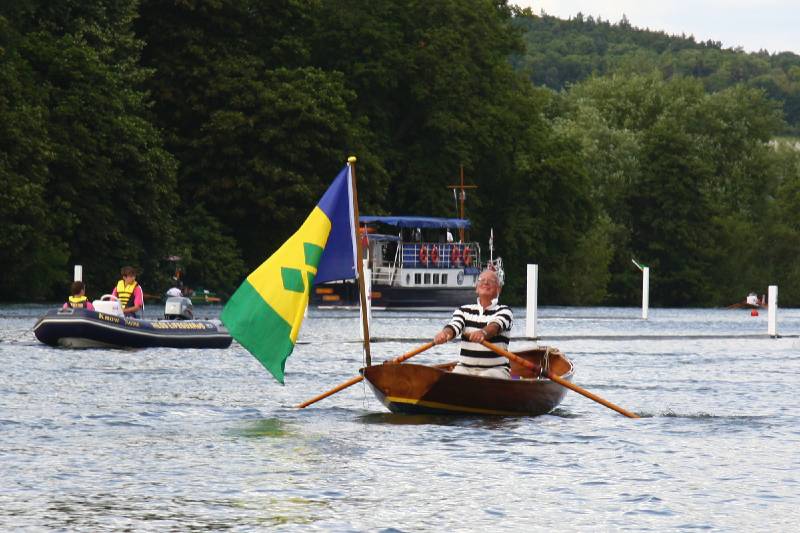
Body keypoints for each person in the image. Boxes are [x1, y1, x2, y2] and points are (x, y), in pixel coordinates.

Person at [433, 269, 513, 379]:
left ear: (498, 289)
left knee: (485, 378)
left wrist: (483, 333)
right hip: (464, 368)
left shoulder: (504, 311)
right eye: (482, 280)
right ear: (476, 288)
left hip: (496, 370)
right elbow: (454, 326)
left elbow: (495, 326)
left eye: (491, 281)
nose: (485, 283)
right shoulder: (463, 310)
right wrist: (444, 334)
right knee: (452, 379)